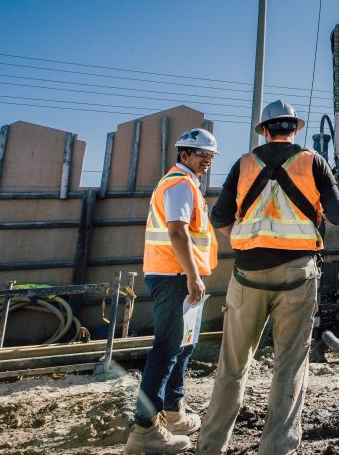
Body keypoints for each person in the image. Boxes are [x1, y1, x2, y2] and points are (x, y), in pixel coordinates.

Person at [198, 100, 339, 455]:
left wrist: (244, 240)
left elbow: (219, 218)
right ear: (294, 129)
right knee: (289, 365)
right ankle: (277, 447)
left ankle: (211, 445)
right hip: (298, 273)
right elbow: (338, 216)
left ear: (264, 130)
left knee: (232, 365)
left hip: (247, 273)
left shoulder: (244, 164)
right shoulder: (314, 162)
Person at [125, 128, 220, 454]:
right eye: (201, 154)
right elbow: (177, 232)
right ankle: (145, 429)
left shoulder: (187, 184)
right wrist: (192, 276)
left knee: (182, 345)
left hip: (178, 276)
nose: (207, 160)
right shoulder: (179, 184)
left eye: (210, 155)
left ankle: (173, 412)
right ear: (184, 155)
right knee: (166, 349)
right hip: (174, 276)